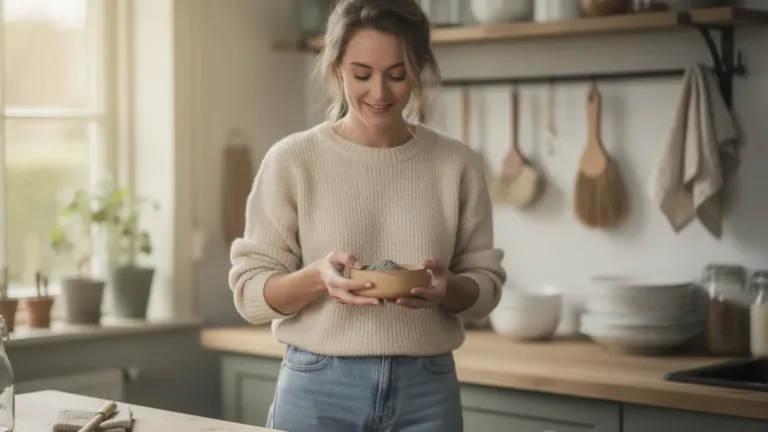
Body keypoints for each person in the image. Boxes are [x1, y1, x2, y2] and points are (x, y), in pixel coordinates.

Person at [228, 0, 506, 430]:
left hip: (426, 390)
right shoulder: (293, 160)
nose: (379, 93)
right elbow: (250, 294)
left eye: (397, 75)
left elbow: (485, 287)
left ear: (419, 69)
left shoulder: (457, 164)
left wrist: (447, 288)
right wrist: (318, 277)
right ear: (337, 68)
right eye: (362, 75)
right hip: (318, 386)